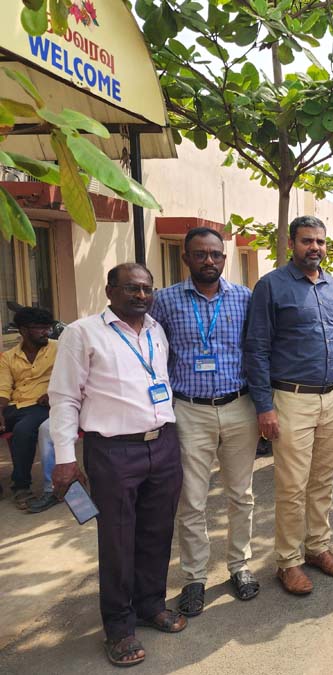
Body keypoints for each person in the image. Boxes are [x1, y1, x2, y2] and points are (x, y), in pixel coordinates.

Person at [50, 263, 186, 667]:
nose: (141, 296)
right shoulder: (83, 333)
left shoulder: (156, 330)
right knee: (117, 539)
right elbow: (64, 398)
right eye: (131, 288)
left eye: (147, 289)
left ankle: (150, 604)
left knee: (158, 532)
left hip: (162, 445)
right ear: (110, 291)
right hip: (112, 451)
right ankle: (119, 626)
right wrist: (64, 458)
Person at [151, 227, 259, 617]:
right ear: (186, 259)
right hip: (189, 410)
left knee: (241, 494)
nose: (209, 261)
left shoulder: (246, 299)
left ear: (224, 258)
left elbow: (258, 351)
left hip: (238, 406)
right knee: (192, 499)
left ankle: (239, 565)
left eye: (215, 254)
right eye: (200, 254)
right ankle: (194, 577)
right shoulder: (162, 302)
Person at [244, 216, 333, 595]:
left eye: (320, 242)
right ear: (292, 244)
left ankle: (318, 546)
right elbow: (255, 349)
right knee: (291, 486)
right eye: (307, 241)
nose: (315, 248)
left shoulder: (332, 286)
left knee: (323, 479)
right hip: (290, 398)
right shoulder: (271, 286)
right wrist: (263, 407)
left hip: (331, 395)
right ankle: (288, 562)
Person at [0, 306, 58, 509]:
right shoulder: (9, 357)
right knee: (18, 426)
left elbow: (72, 376)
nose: (46, 332)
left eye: (47, 327)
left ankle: (21, 487)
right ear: (23, 330)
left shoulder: (59, 349)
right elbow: (4, 387)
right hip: (16, 405)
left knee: (22, 431)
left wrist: (53, 394)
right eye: (39, 328)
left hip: (43, 405)